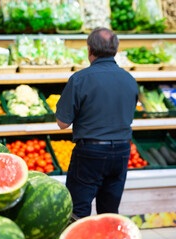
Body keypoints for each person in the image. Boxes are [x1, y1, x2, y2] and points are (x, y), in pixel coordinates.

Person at [55, 27, 138, 218]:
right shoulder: (130, 79)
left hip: (90, 152)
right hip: (122, 151)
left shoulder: (80, 79)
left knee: (78, 211)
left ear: (89, 50)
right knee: (109, 212)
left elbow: (62, 123)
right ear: (115, 50)